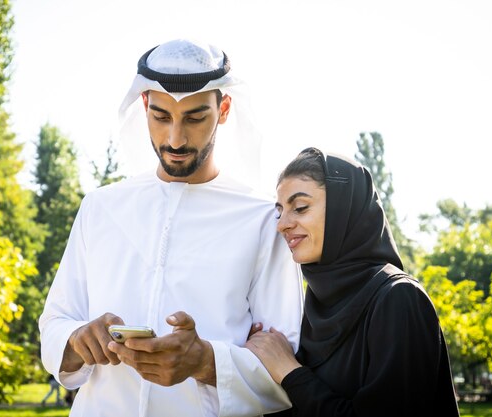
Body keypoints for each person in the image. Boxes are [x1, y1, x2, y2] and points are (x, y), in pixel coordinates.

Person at [38, 39, 303, 417]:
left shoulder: (261, 218)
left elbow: (285, 367)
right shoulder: (100, 208)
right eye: (161, 117)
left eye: (195, 118)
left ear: (223, 109)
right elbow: (54, 324)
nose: (175, 139)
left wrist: (204, 361)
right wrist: (77, 339)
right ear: (144, 104)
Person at [246, 147, 460, 417]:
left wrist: (289, 372)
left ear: (344, 209)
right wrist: (262, 367)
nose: (282, 225)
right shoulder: (310, 309)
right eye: (280, 212)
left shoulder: (399, 298)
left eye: (299, 207)